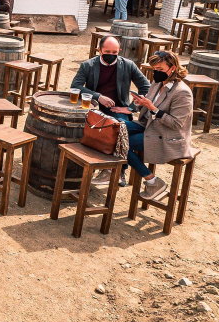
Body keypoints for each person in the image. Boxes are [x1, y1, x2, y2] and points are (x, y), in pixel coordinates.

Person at [112, 49, 195, 201]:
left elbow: (176, 124)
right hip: (150, 126)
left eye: (160, 69)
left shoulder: (183, 93)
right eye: (155, 69)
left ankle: (153, 181)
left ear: (173, 68)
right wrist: (136, 105)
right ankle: (111, 172)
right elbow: (148, 103)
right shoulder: (158, 83)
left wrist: (153, 108)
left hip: (169, 135)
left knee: (123, 142)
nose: (156, 73)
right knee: (114, 128)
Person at [70, 36, 152, 185]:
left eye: (115, 52)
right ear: (100, 50)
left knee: (120, 130)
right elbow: (75, 86)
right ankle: (100, 166)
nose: (111, 54)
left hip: (117, 108)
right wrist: (98, 96)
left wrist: (131, 108)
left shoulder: (128, 65)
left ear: (119, 50)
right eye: (107, 51)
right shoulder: (88, 65)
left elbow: (146, 88)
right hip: (94, 107)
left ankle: (118, 171)